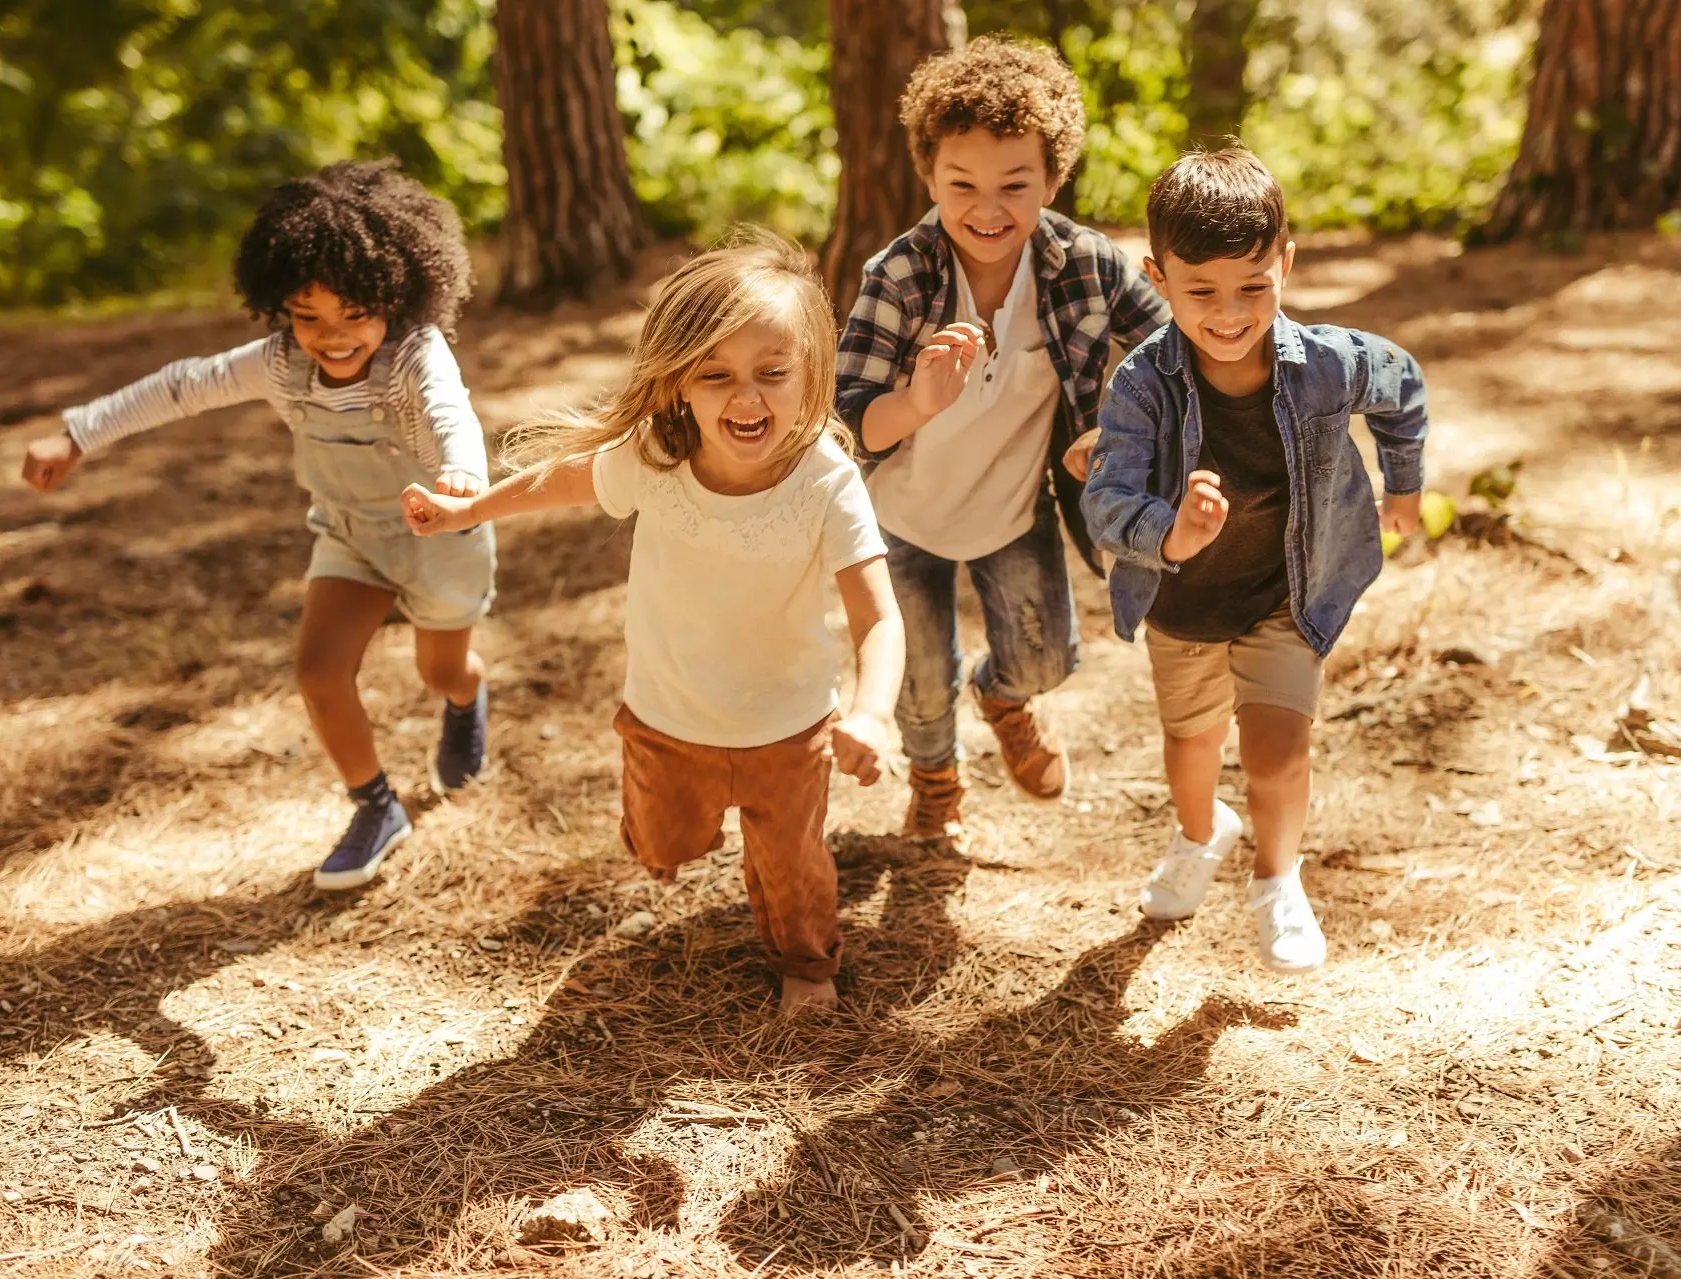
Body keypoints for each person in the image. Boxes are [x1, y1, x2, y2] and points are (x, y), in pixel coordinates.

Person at [402, 233, 903, 1015]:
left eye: (773, 374)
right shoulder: (656, 456)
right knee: (662, 843)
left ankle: (807, 964)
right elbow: (561, 480)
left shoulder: (826, 481)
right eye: (718, 376)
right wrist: (471, 506)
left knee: (796, 865)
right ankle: (666, 838)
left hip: (789, 725)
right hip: (668, 717)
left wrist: (872, 711)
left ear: (810, 374)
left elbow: (877, 616)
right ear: (678, 386)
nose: (748, 399)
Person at [19, 160, 493, 892]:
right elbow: (181, 386)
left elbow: (448, 413)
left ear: (394, 297)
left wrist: (462, 474)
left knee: (440, 668)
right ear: (281, 305)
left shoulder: (414, 357)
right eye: (308, 317)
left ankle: (465, 699)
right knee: (317, 671)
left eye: (353, 315)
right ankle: (375, 805)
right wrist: (78, 435)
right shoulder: (280, 365)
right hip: (350, 536)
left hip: (440, 530)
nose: (331, 337)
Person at [1081, 147, 1429, 973]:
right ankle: (1201, 833)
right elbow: (1106, 499)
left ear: (1287, 263)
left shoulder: (1329, 363)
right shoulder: (1142, 385)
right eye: (1201, 290)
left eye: (1254, 286)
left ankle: (1278, 880)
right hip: (1183, 605)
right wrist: (1171, 531)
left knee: (1277, 753)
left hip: (1288, 592)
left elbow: (1404, 386)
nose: (1229, 312)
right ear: (1158, 277)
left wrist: (1404, 488)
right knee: (1192, 746)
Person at [835, 35, 1169, 854]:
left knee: (1048, 658)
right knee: (916, 683)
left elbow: (1173, 348)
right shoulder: (899, 275)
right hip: (897, 517)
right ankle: (937, 785)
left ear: (1053, 180)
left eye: (1015, 185)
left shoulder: (1086, 266)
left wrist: (1114, 430)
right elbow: (849, 420)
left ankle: (1005, 698)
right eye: (963, 186)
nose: (988, 209)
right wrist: (915, 400)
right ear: (929, 180)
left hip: (1013, 510)